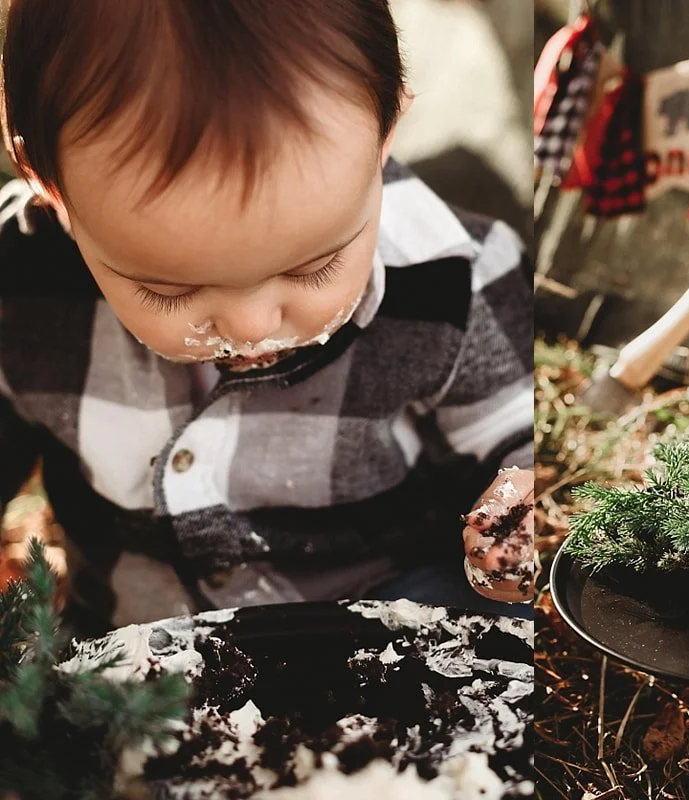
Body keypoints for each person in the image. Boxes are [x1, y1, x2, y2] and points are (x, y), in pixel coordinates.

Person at [0, 0, 534, 634]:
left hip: (383, 619)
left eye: (314, 268)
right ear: (50, 188)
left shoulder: (451, 278)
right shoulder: (20, 285)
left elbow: (513, 431)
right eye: (170, 290)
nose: (254, 325)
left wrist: (512, 505)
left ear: (386, 127)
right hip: (135, 644)